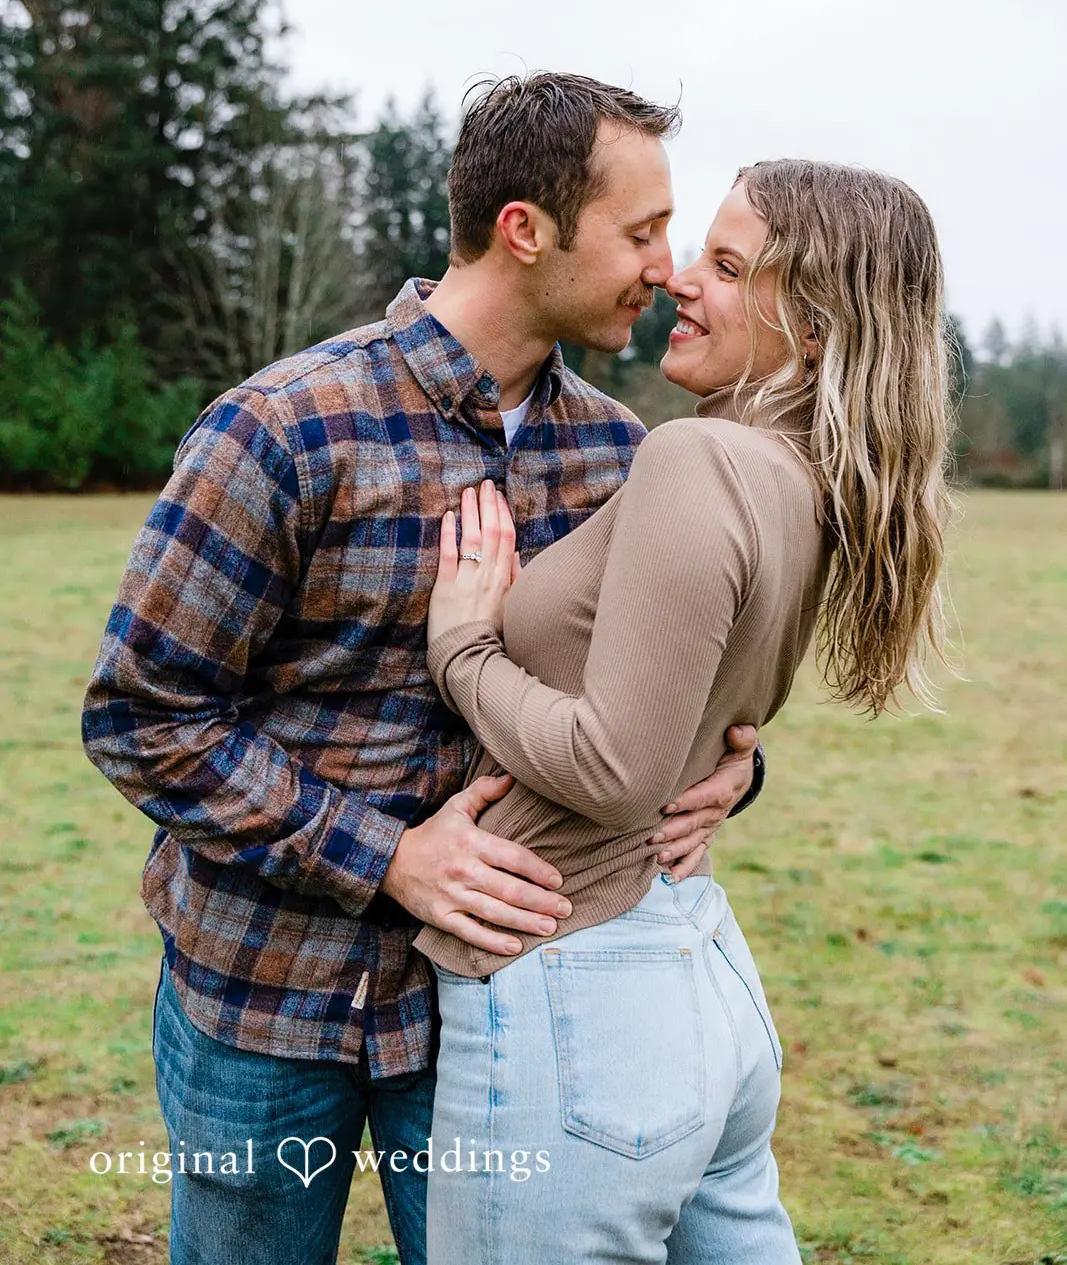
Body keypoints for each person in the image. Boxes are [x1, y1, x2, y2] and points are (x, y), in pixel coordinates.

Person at [81, 73, 765, 1265]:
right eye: (642, 231)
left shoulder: (623, 453)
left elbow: (663, 690)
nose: (665, 267)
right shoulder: (283, 428)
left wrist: (731, 777)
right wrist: (387, 855)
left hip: (497, 1016)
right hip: (263, 1001)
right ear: (525, 229)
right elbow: (143, 715)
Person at [420, 158, 955, 1264]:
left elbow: (615, 768)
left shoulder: (694, 458)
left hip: (578, 989)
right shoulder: (803, 476)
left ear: (811, 326)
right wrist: (732, 775)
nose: (677, 281)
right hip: (692, 961)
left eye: (722, 265)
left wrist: (464, 648)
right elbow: (706, 720)